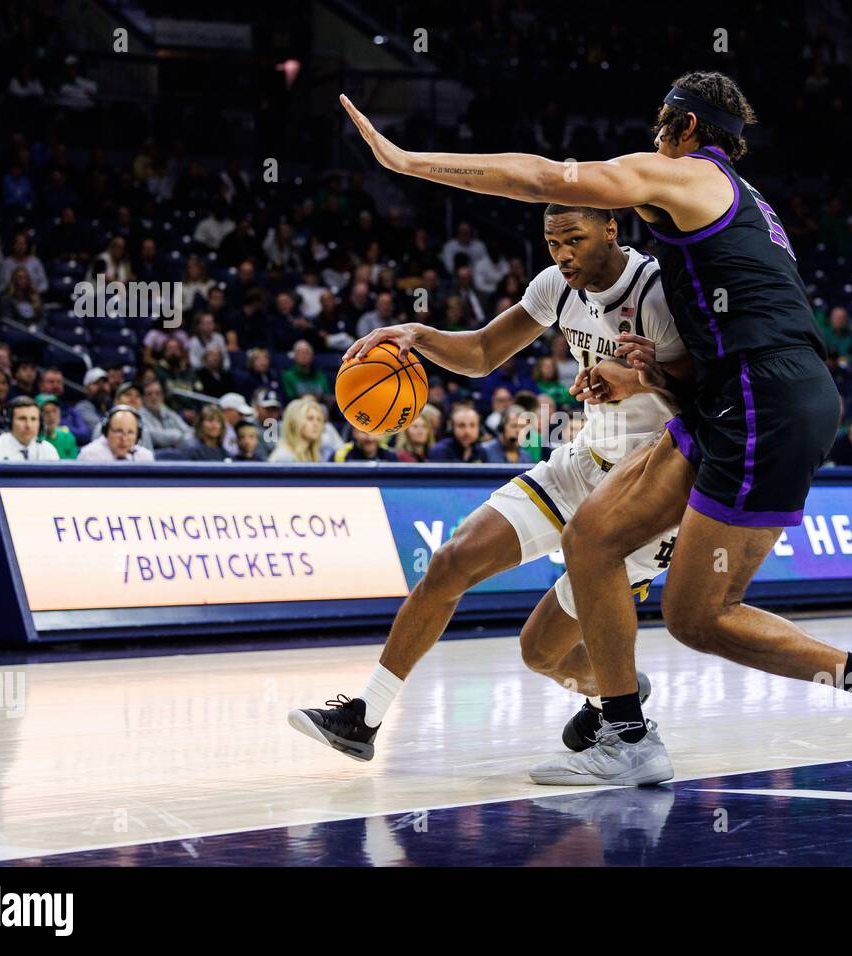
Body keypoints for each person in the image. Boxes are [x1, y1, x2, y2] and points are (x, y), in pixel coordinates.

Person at [307, 71, 852, 788]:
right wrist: (656, 378)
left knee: (699, 614)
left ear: (686, 128)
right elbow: (491, 348)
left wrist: (409, 162)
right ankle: (629, 730)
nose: (651, 140)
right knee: (595, 539)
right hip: (739, 399)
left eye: (661, 125)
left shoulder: (687, 177)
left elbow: (543, 175)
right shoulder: (737, 201)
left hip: (765, 398)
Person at [290, 207, 689, 770]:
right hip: (581, 464)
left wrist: (643, 378)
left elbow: (712, 402)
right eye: (553, 244)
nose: (563, 255)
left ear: (611, 230)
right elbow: (481, 353)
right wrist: (418, 334)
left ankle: (617, 699)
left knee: (540, 653)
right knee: (452, 562)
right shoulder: (557, 286)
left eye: (574, 240)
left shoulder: (658, 294)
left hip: (646, 493)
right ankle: (366, 716)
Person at [0, 396, 60, 461]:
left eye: (33, 419)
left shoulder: (49, 450)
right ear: (10, 422)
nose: (28, 425)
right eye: (22, 419)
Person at [77, 406, 154, 462]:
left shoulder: (145, 457)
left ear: (138, 435)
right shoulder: (91, 455)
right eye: (118, 431)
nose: (124, 439)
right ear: (106, 431)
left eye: (130, 432)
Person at [268, 398, 327, 462]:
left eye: (319, 419)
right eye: (310, 418)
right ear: (294, 422)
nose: (316, 424)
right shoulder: (283, 457)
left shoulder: (316, 455)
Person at [35, 394, 79, 460]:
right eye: (46, 412)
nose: (51, 416)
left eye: (54, 411)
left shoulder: (68, 437)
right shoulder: (34, 440)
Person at [332, 430, 399, 462]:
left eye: (374, 432)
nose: (370, 438)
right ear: (354, 433)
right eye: (364, 432)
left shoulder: (391, 456)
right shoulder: (340, 455)